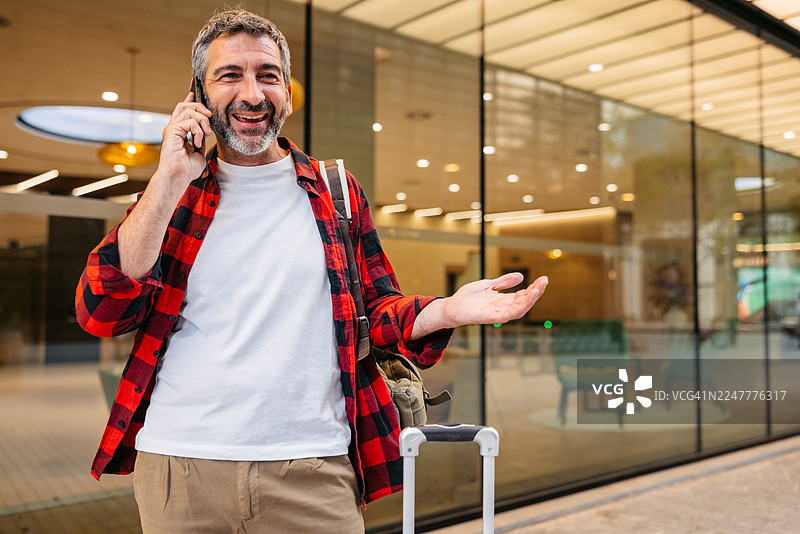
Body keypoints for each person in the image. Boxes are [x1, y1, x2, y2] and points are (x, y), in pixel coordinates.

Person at [75, 9, 548, 534]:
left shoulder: (335, 192)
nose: (252, 93)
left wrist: (446, 310)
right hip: (181, 470)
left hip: (313, 470)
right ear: (198, 97)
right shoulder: (172, 199)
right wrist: (167, 180)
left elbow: (375, 315)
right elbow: (103, 311)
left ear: (289, 95)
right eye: (230, 75)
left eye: (268, 75)